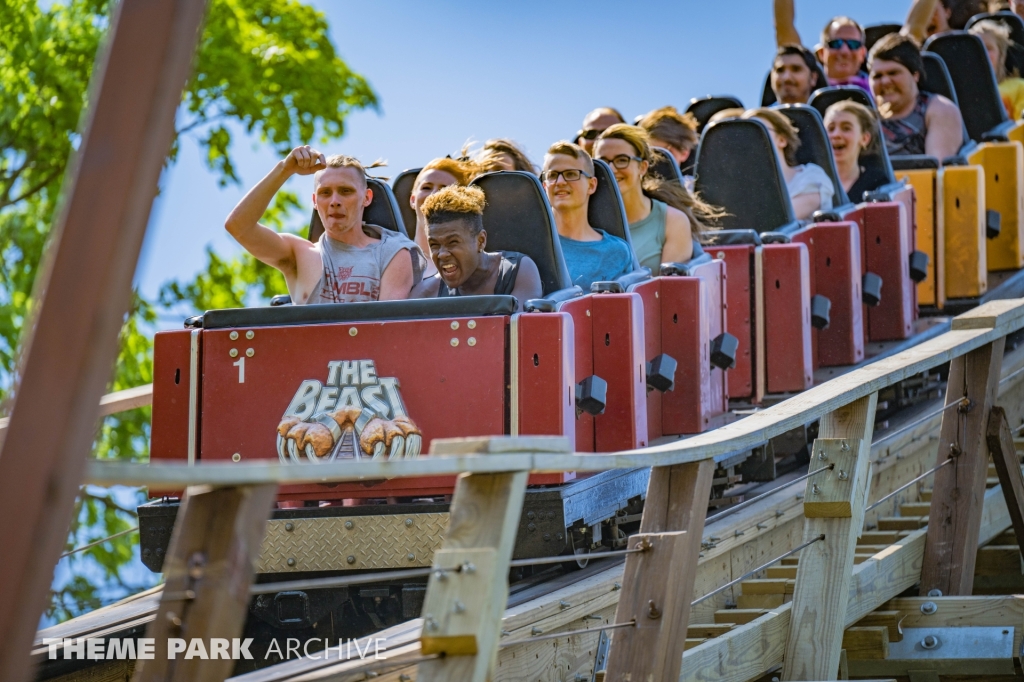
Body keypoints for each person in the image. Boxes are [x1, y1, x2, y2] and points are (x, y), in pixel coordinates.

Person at [225, 146, 424, 304]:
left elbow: (386, 328)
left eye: (346, 191)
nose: (334, 201)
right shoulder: (299, 255)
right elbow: (238, 226)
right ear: (314, 200)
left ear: (367, 197)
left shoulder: (393, 251)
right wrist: (285, 169)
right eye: (325, 193)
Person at [594, 124, 723, 271]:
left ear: (642, 167)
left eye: (622, 160)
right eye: (603, 162)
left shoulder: (673, 221)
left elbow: (667, 289)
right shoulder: (587, 220)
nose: (611, 169)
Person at [410, 185, 543, 309]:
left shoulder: (518, 271)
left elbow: (518, 327)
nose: (442, 254)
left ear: (480, 241)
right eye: (434, 245)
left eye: (453, 242)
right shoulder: (425, 294)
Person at [541, 141, 634, 289]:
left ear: (591, 185)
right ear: (545, 186)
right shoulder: (534, 245)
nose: (560, 182)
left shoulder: (617, 251)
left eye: (571, 174)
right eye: (552, 175)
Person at [869, 33, 965, 159]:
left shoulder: (939, 109)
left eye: (893, 73)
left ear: (915, 75)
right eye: (878, 76)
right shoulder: (866, 118)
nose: (885, 81)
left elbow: (936, 171)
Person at [743, 108, 835, 220]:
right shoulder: (743, 186)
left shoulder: (810, 176)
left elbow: (780, 220)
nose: (751, 139)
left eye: (759, 131)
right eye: (746, 135)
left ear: (782, 140)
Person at [409, 157, 480, 278]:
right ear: (413, 200)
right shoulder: (393, 257)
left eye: (444, 189)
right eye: (426, 187)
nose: (433, 195)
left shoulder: (472, 266)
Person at [825, 100, 890, 202]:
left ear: (865, 138)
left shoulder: (877, 183)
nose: (836, 134)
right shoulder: (812, 181)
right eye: (831, 128)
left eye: (846, 128)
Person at [970, 19, 1024, 120]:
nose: (982, 53)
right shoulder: (962, 92)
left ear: (1002, 56)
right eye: (976, 48)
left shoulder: (1019, 88)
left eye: (988, 48)